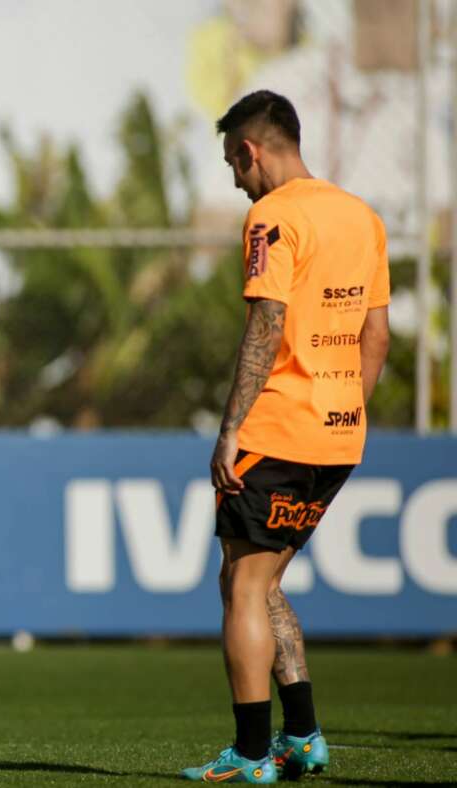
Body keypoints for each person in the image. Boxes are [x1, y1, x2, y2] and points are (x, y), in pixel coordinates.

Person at [182, 90, 391, 784]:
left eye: (232, 166)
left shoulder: (273, 217)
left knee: (243, 586)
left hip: (277, 428)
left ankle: (249, 755)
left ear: (250, 150)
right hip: (337, 436)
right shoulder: (362, 217)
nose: (235, 182)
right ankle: (302, 737)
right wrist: (341, 413)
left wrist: (231, 430)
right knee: (262, 579)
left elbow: (266, 327)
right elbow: (376, 334)